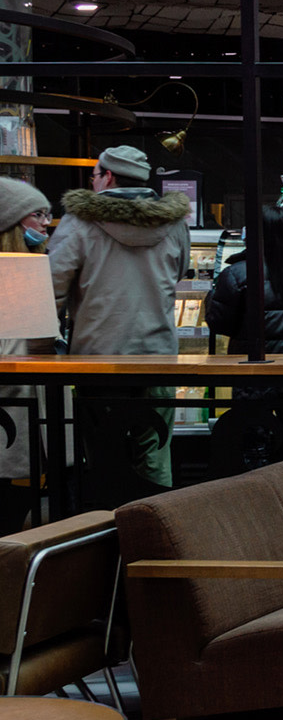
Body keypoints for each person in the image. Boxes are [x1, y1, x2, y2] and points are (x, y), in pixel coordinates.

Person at [49, 145, 191, 494]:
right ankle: (157, 529)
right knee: (155, 450)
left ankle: (103, 531)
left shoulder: (79, 222)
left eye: (94, 175)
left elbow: (53, 288)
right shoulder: (173, 223)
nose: (92, 181)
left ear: (108, 177)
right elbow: (179, 273)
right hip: (158, 354)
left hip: (98, 358)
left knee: (103, 453)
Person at [204, 206, 283, 469]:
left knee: (255, 447)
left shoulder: (237, 274)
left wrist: (213, 294)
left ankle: (260, 504)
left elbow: (218, 323)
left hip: (253, 376)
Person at [0, 178, 53, 532]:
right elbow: (37, 341)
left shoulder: (31, 264)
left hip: (21, 400)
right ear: (12, 221)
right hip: (17, 398)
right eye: (38, 214)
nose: (46, 222)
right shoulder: (23, 269)